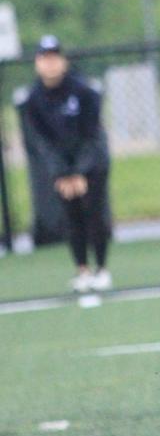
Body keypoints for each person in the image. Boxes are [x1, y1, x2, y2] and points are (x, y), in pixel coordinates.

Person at [22, 35, 113, 293]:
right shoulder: (33, 100)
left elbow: (92, 134)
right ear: (37, 63)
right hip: (62, 166)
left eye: (54, 58)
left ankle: (102, 269)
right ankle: (82, 270)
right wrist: (63, 173)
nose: (50, 64)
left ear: (63, 61)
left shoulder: (83, 91)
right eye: (44, 59)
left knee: (94, 213)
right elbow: (43, 142)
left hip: (92, 161)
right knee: (72, 217)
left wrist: (81, 172)